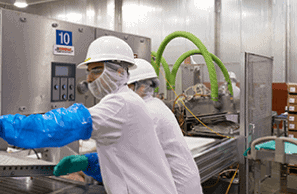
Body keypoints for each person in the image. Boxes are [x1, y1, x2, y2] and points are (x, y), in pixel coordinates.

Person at [0, 36, 178, 194]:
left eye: (97, 70)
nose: (90, 78)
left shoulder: (121, 104)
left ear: (119, 71)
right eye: (88, 71)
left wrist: (4, 125)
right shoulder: (128, 100)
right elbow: (129, 159)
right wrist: (89, 161)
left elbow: (61, 125)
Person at [65, 58, 204, 194]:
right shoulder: (154, 104)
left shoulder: (148, 112)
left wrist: (89, 160)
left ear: (142, 86)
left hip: (176, 186)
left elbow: (126, 152)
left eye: (125, 85)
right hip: (182, 182)